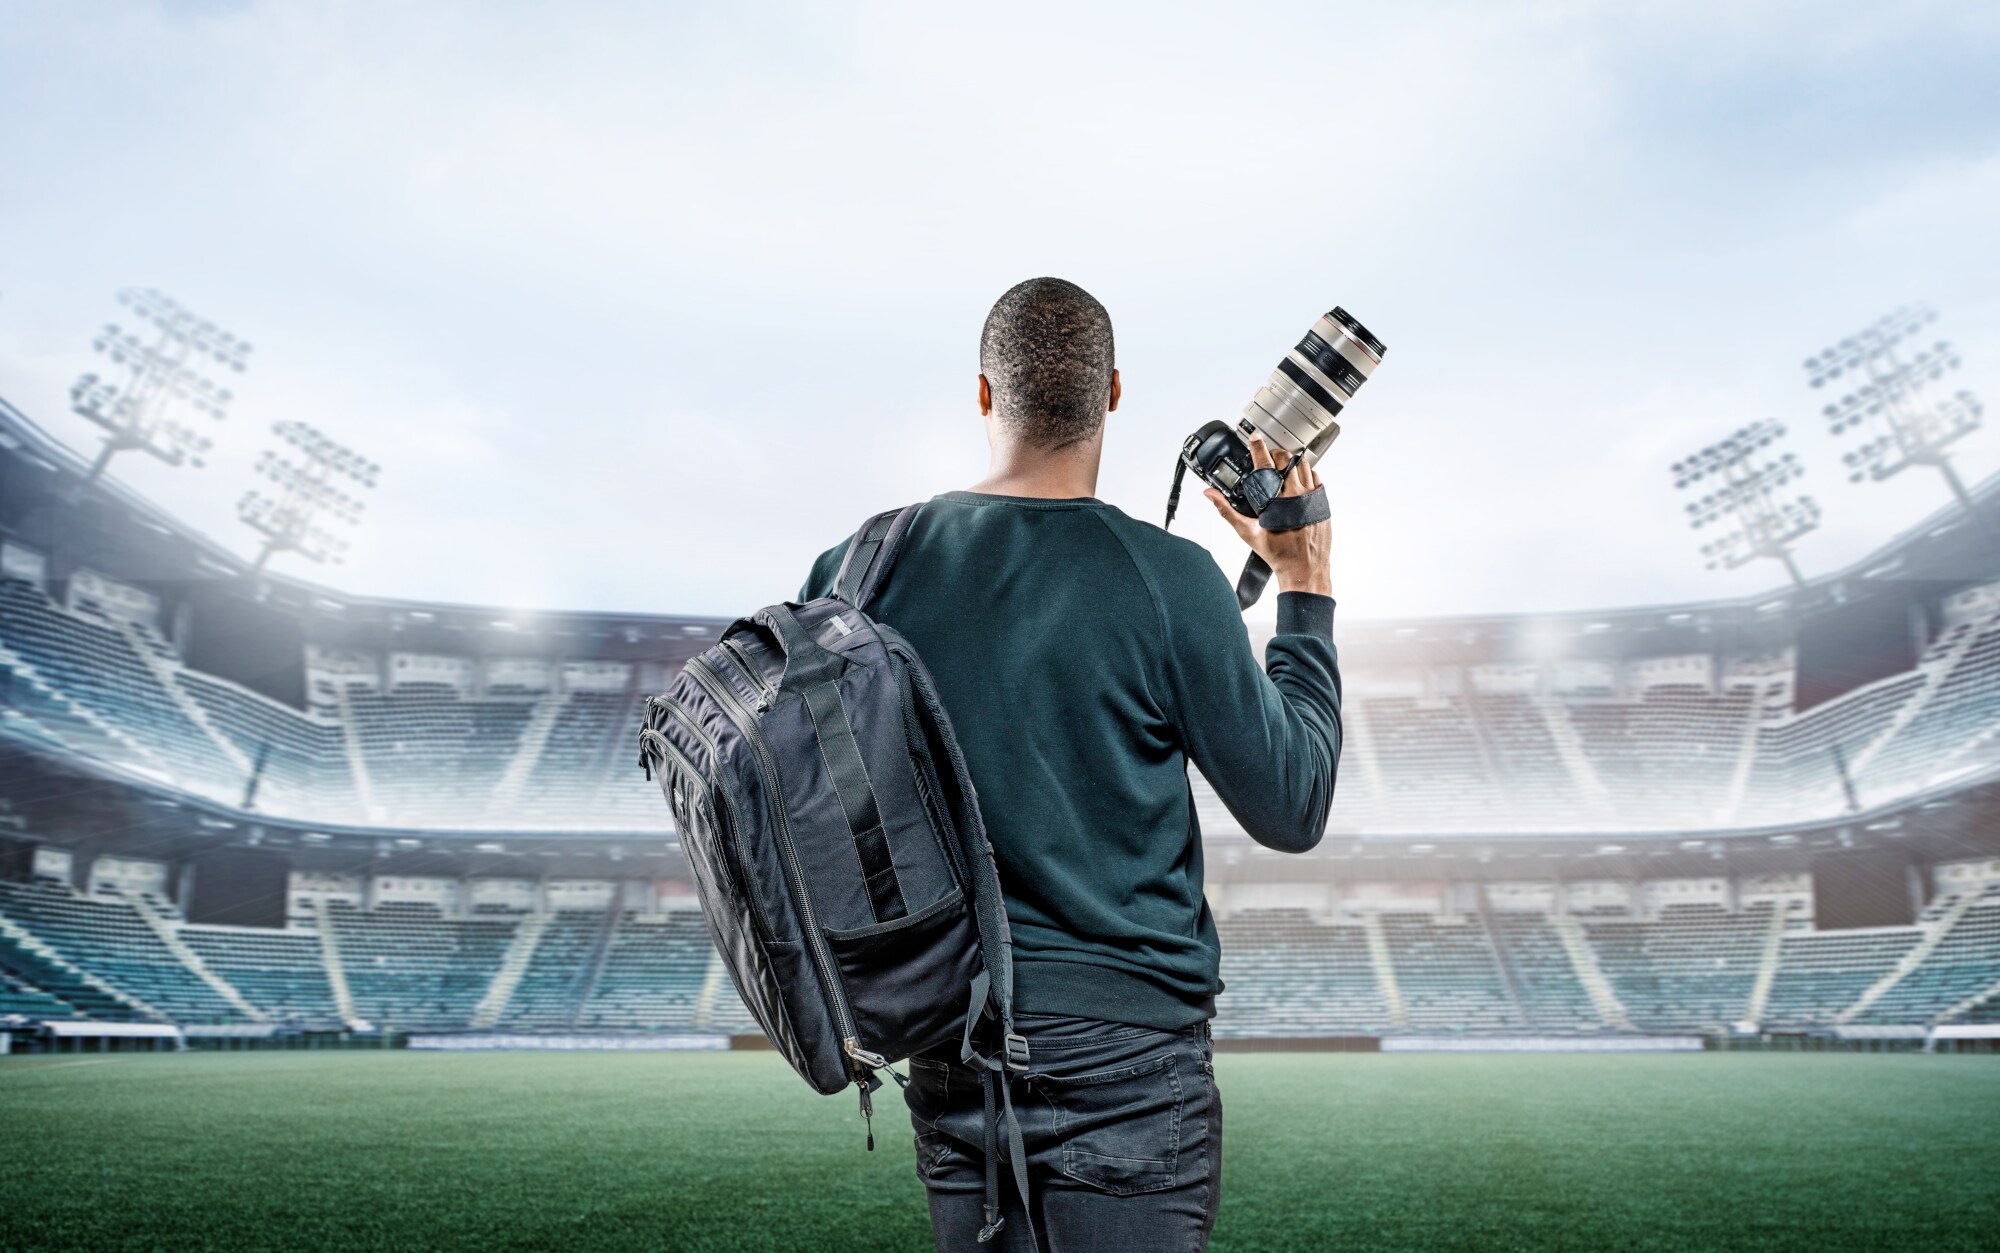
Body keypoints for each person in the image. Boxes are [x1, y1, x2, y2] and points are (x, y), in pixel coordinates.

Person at [797, 277, 1342, 1252]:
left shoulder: (854, 568)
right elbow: (1292, 803)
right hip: (1128, 1057)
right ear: (1113, 395)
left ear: (981, 394)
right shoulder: (1169, 578)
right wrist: (1301, 583)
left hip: (950, 1046)